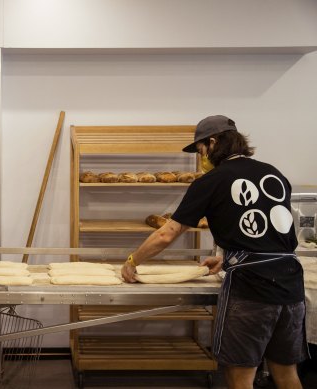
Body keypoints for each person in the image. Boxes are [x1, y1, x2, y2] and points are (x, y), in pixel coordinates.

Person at [121, 115, 308, 389]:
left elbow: (167, 233)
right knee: (286, 374)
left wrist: (132, 260)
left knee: (239, 376)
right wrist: (228, 259)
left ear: (212, 142)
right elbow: (270, 236)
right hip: (291, 287)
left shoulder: (211, 181)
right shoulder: (274, 173)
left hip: (252, 291)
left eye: (200, 150)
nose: (201, 158)